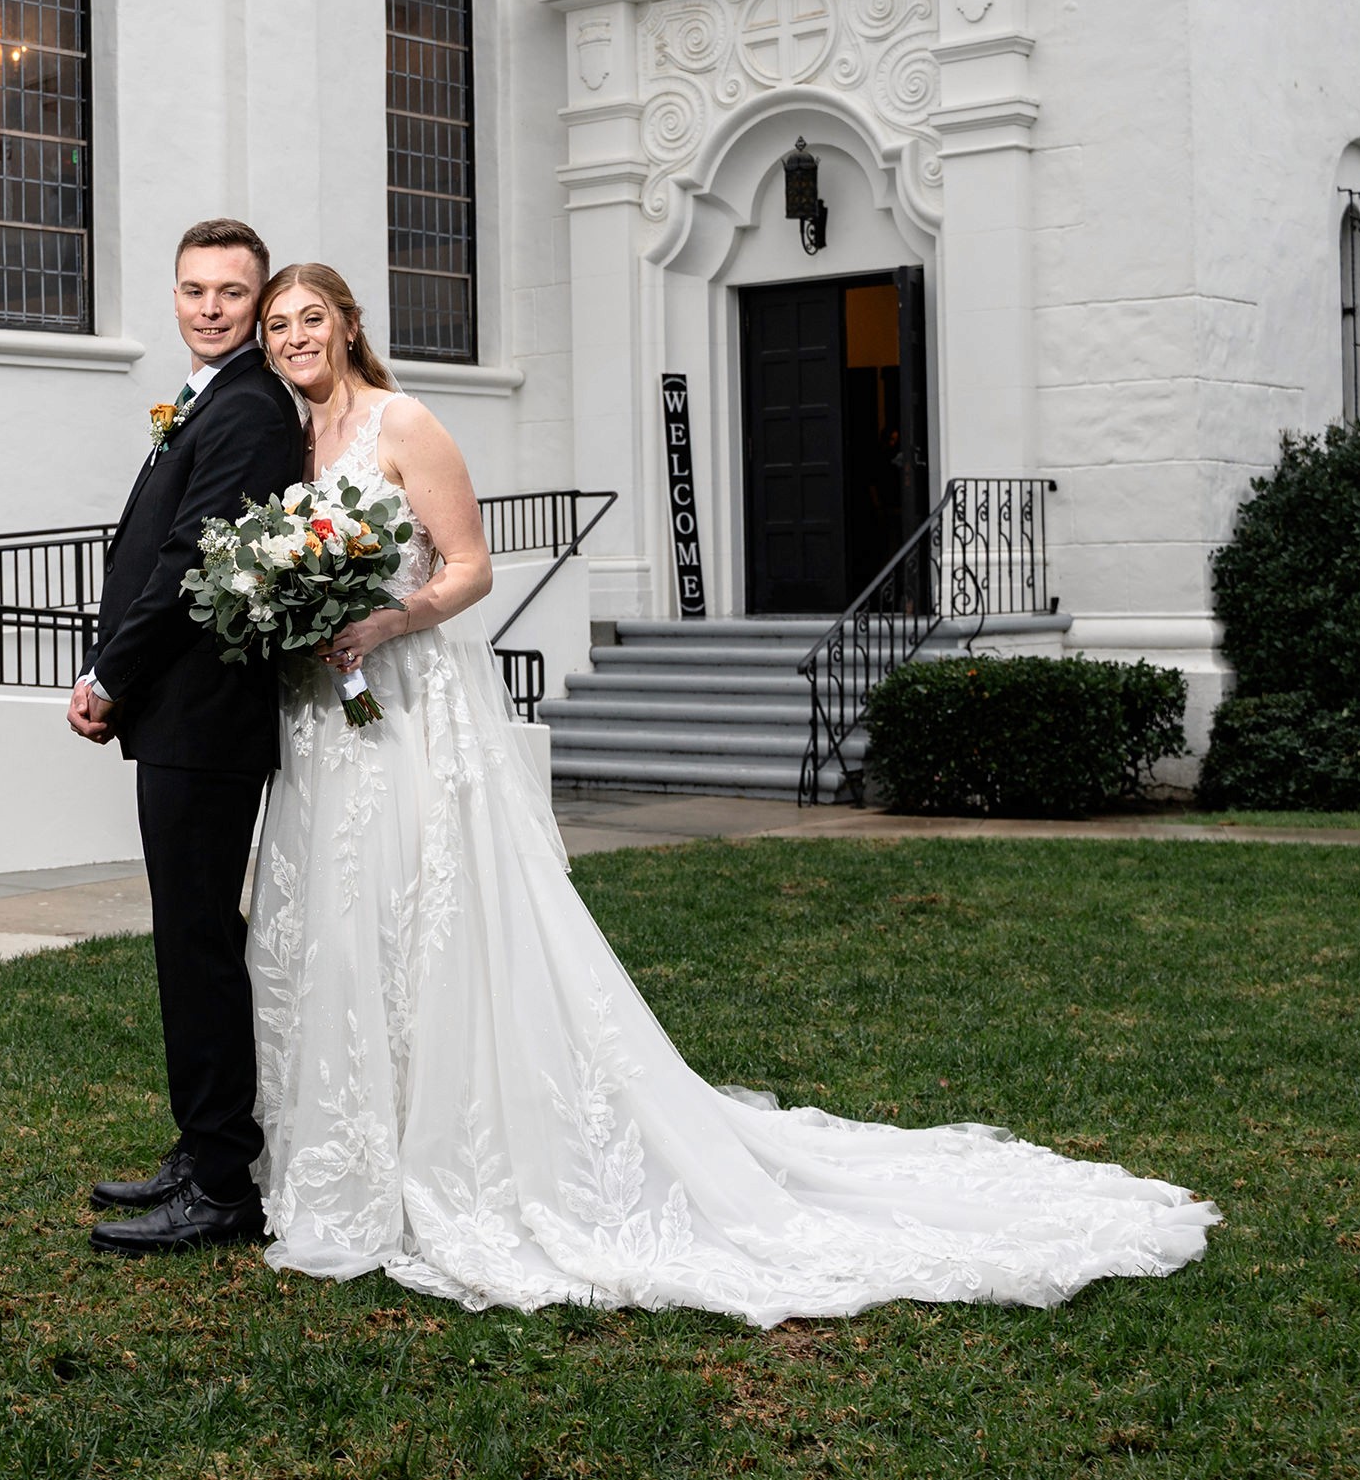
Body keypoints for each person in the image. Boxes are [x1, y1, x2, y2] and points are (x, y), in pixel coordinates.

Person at [244, 261, 1220, 1326]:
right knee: (342, 924)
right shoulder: (288, 443)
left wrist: (385, 621)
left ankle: (457, 1148)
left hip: (408, 700)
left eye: (310, 317)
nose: (294, 335)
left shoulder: (404, 423)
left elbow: (471, 565)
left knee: (428, 917)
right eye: (276, 323)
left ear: (347, 324)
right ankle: (349, 1151)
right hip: (322, 719)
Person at [69, 219, 309, 1256]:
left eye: (230, 292)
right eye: (193, 289)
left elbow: (184, 564)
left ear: (259, 302)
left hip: (201, 715)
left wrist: (108, 673)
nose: (209, 307)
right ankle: (200, 1146)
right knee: (190, 939)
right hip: (179, 713)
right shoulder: (214, 398)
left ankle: (221, 1182)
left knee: (198, 946)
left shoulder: (251, 409)